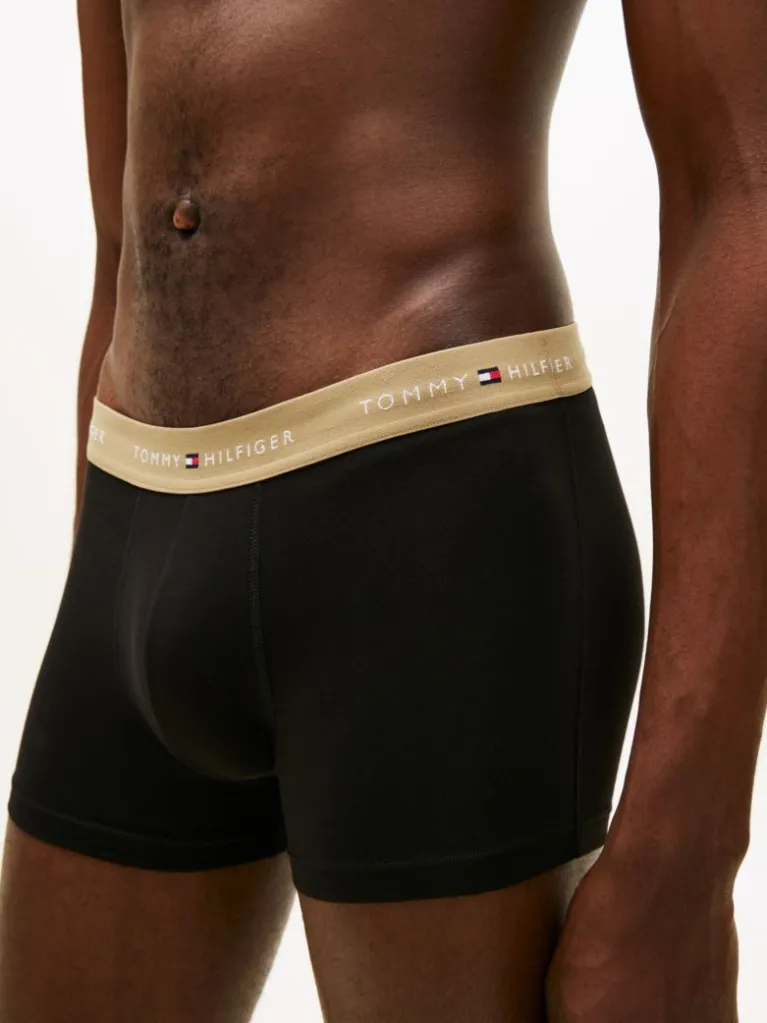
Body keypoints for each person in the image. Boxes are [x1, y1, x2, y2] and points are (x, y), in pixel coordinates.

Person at [0, 0, 763, 1018]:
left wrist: (690, 858)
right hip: (134, 510)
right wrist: (107, 580)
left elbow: (742, 186)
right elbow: (124, 217)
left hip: (428, 513)